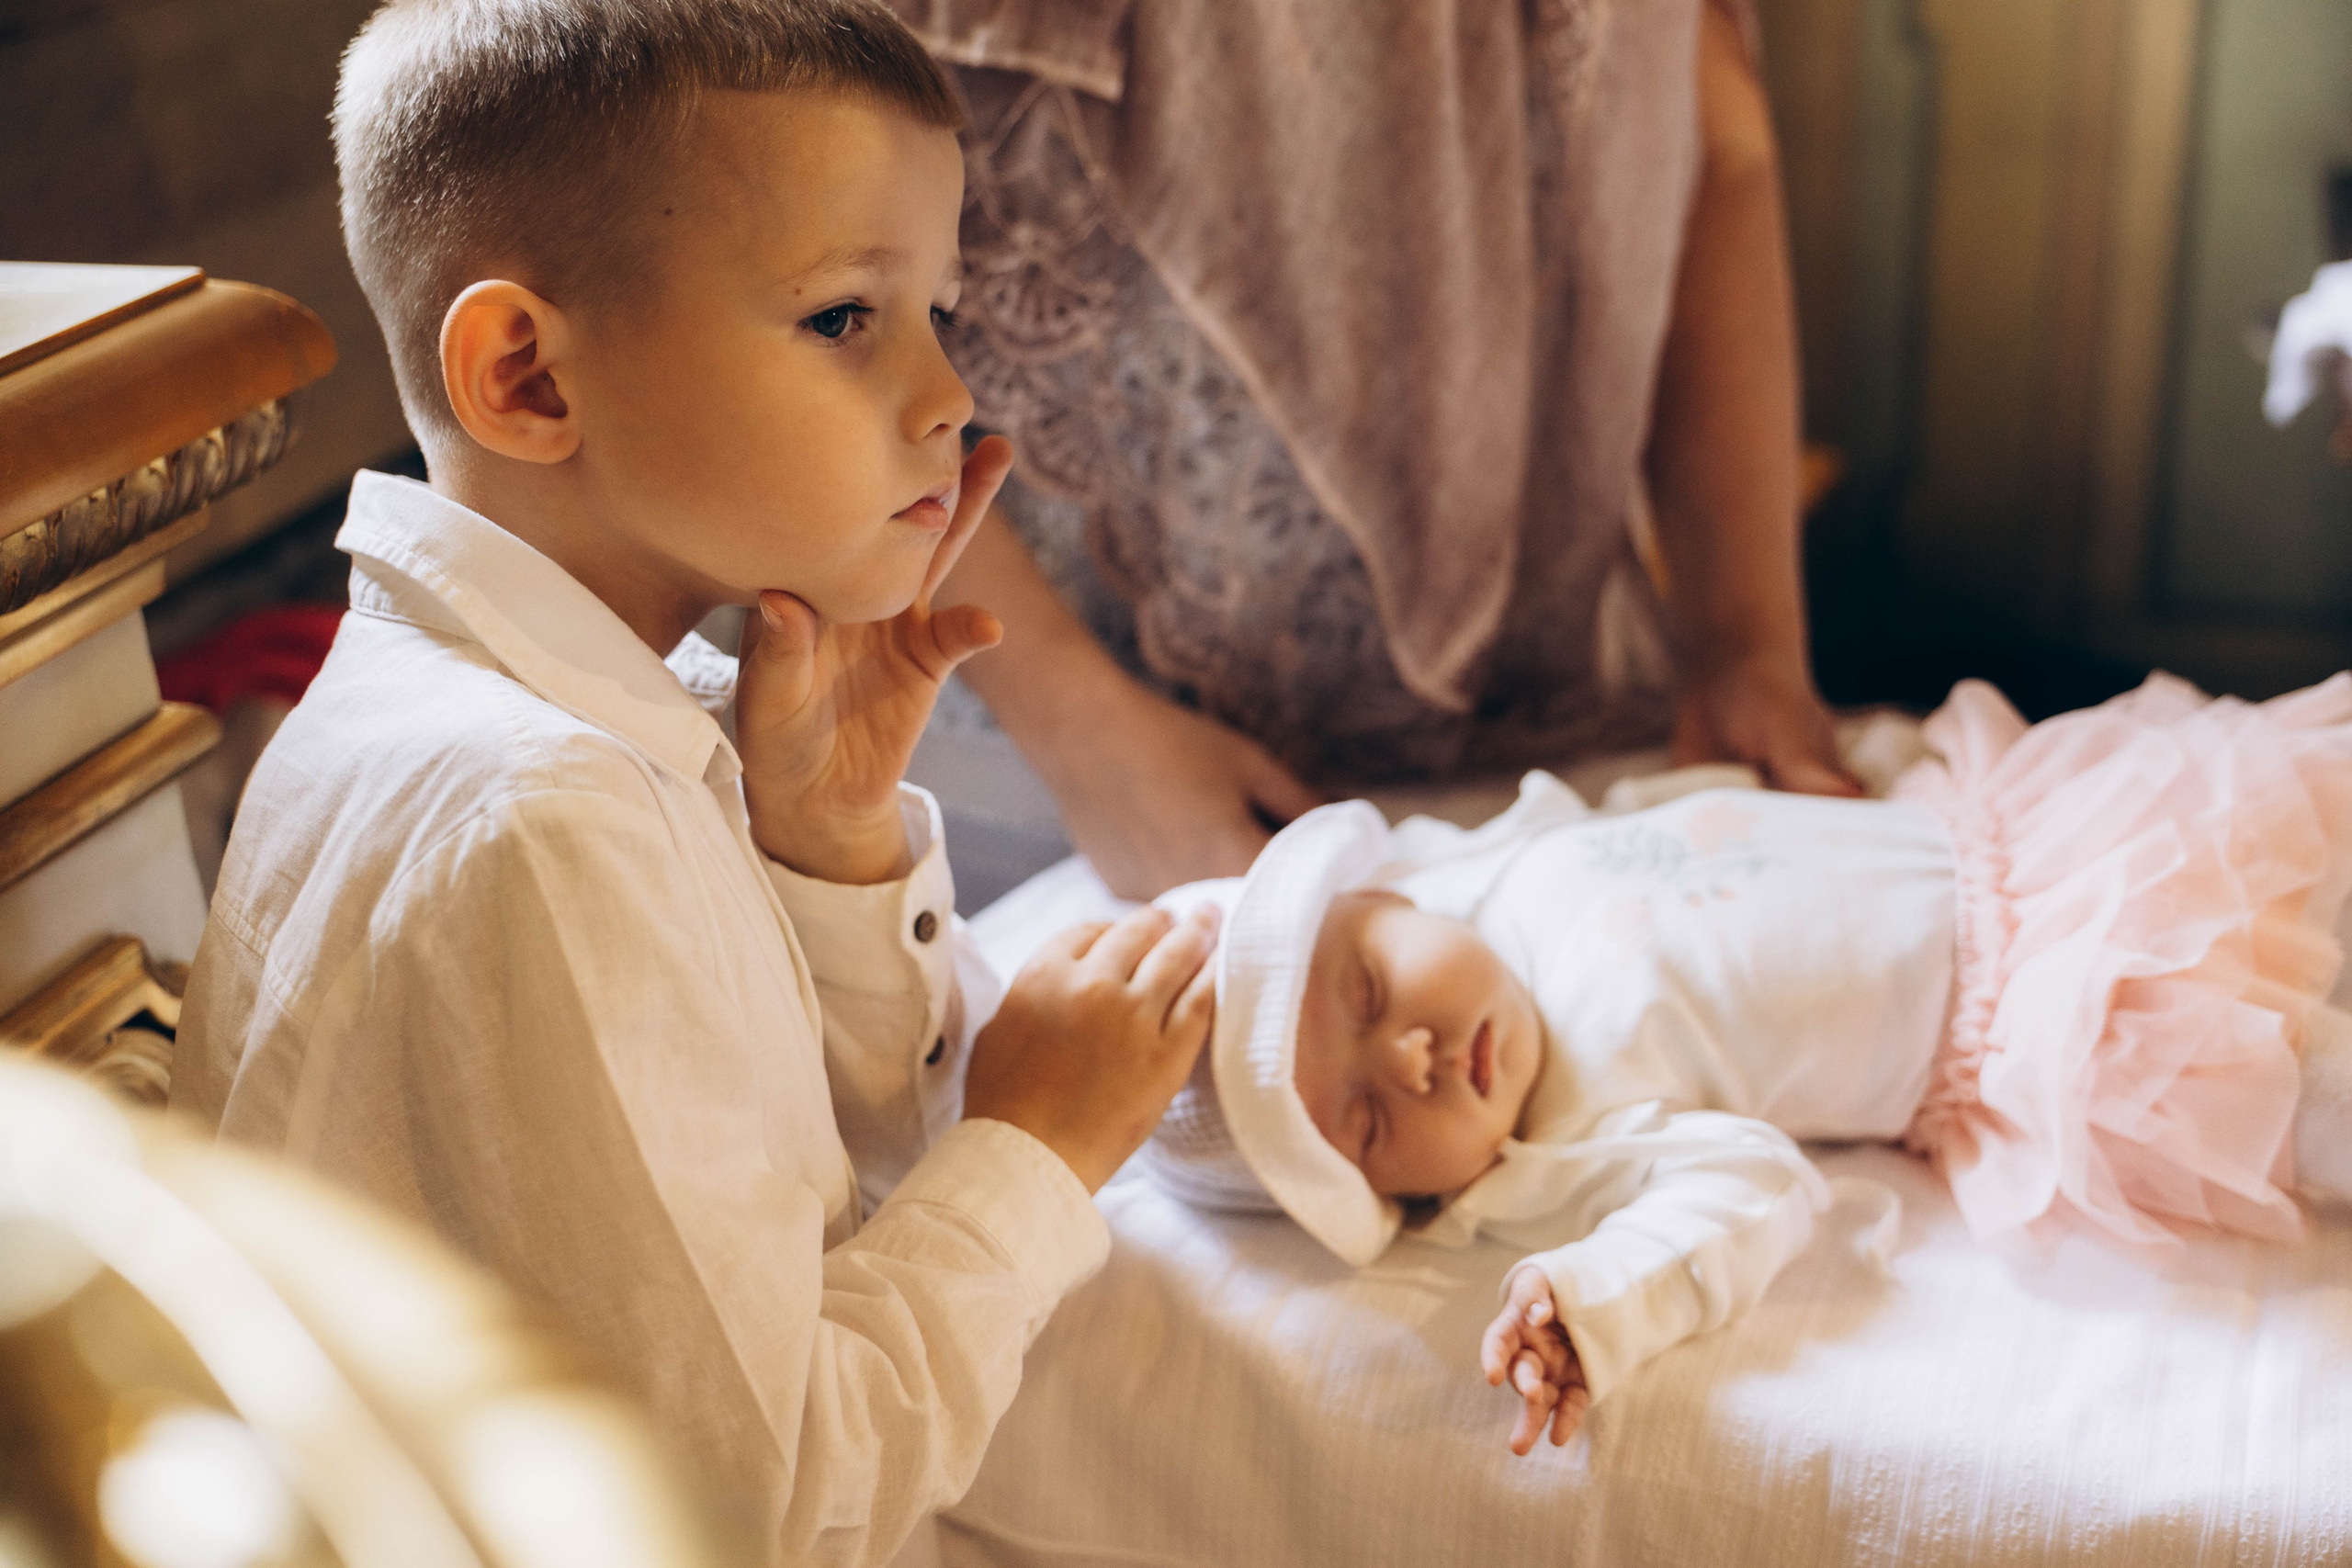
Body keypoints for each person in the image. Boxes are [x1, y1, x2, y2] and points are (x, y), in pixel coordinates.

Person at [174, 5, 1220, 1563]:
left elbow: (795, 1197)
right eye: (845, 319)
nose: (949, 398)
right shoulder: (538, 820)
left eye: (934, 312)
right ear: (526, 377)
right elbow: (766, 1509)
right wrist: (1037, 1148)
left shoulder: (480, 704)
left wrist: (830, 858)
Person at [1140, 673, 2352, 1456]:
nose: (1409, 1055)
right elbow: (1747, 1191)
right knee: (2299, 1084)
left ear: (1388, 890)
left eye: (1367, 987)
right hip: (2052, 1028)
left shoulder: (1518, 855)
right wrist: (1596, 1297)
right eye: (1362, 1122)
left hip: (2037, 841)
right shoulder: (1568, 1135)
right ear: (1412, 1201)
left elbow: (1711, 813)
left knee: (2308, 809)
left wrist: (1865, 762)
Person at [888, 0, 1859, 900]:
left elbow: (1719, 150)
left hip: (1554, 747)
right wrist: (1082, 732)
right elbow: (803, 301)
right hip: (1072, 785)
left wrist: (1745, 640)